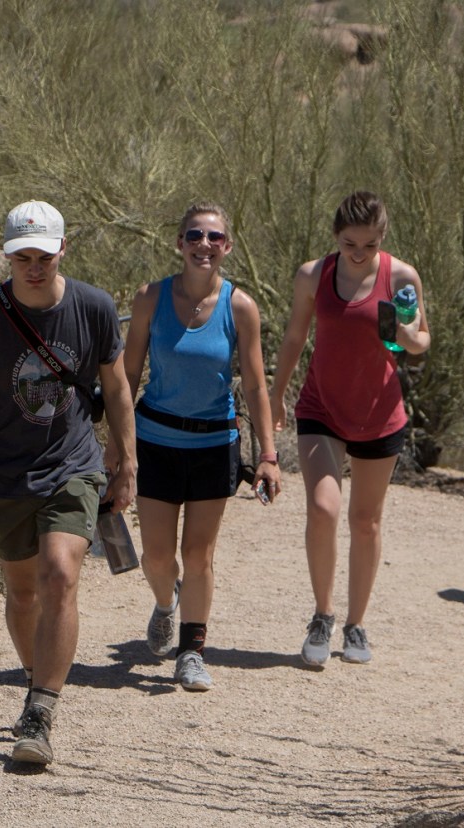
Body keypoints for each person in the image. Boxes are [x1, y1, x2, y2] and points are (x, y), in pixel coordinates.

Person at [0, 200, 137, 765]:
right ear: (7, 256)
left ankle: (41, 711)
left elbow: (116, 387)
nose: (33, 268)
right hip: (3, 474)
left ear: (62, 250)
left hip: (73, 464)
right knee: (23, 594)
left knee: (59, 575)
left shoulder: (93, 307)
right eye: (22, 258)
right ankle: (35, 680)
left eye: (43, 257)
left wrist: (127, 460)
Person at [106, 201, 281, 692]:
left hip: (213, 445)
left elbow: (255, 385)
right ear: (179, 243)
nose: (204, 244)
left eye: (214, 237)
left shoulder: (240, 307)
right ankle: (167, 603)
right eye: (195, 235)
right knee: (158, 558)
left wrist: (268, 456)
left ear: (228, 246)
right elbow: (127, 375)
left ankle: (191, 653)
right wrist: (116, 445)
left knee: (199, 555)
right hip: (156, 441)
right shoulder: (150, 298)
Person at [270, 191, 431, 668]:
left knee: (366, 521)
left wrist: (406, 335)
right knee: (323, 508)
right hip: (321, 407)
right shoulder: (312, 275)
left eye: (369, 245)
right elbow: (295, 336)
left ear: (383, 238)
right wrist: (275, 395)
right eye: (349, 244)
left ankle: (356, 625)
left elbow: (421, 341)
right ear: (335, 236)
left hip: (379, 412)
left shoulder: (401, 277)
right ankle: (322, 615)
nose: (359, 254)